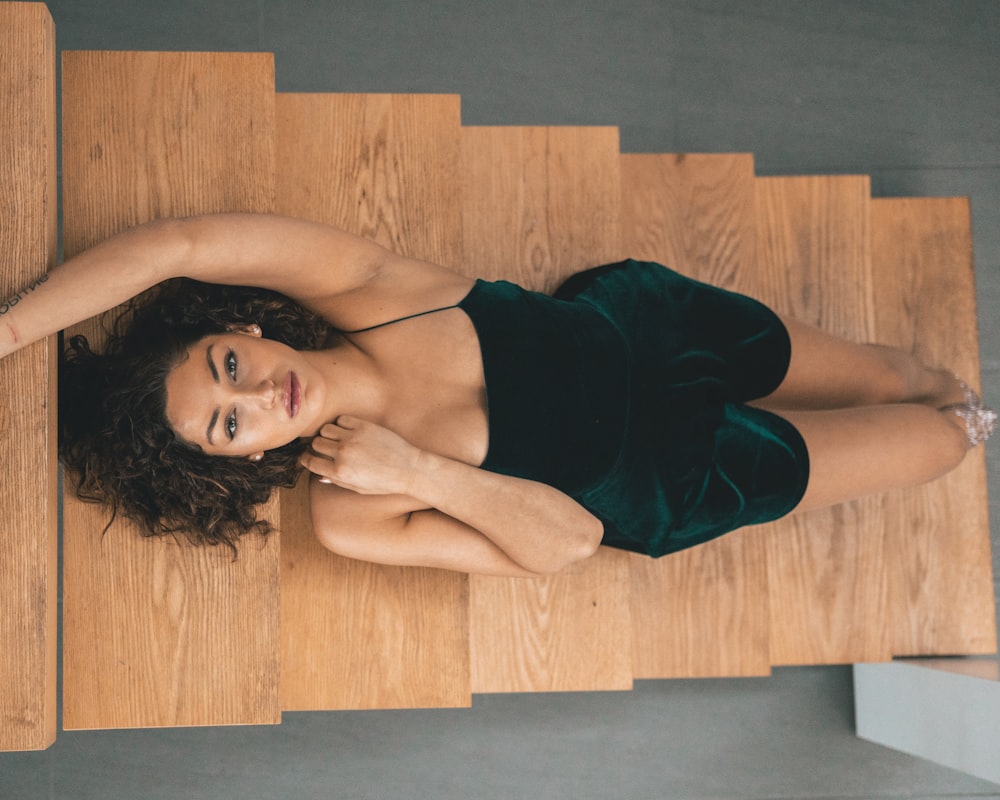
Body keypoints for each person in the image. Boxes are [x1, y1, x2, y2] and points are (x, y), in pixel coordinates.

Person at [3, 214, 993, 577]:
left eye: (227, 363)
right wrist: (419, 468)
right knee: (942, 443)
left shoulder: (367, 287)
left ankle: (955, 382)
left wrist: (9, 331)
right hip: (671, 480)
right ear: (239, 457)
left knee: (896, 376)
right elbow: (563, 545)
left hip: (655, 330)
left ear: (243, 329)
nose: (258, 391)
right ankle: (969, 418)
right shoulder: (355, 512)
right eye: (231, 421)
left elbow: (178, 247)